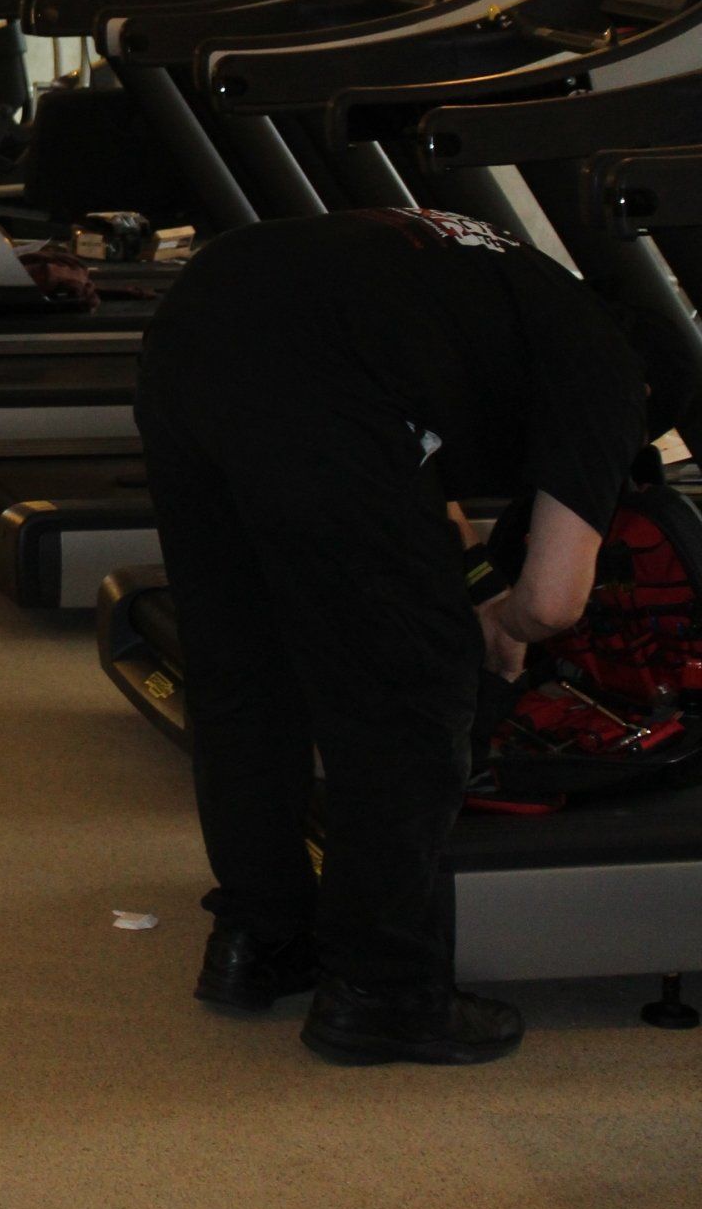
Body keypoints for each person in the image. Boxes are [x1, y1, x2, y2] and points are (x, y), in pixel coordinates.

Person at [133, 205, 674, 1068]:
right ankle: (384, 992)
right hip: (322, 373)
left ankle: (257, 943)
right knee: (409, 690)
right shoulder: (610, 374)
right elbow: (554, 603)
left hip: (197, 327)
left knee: (246, 668)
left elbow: (423, 501)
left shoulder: (506, 293)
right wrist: (485, 637)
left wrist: (459, 596)